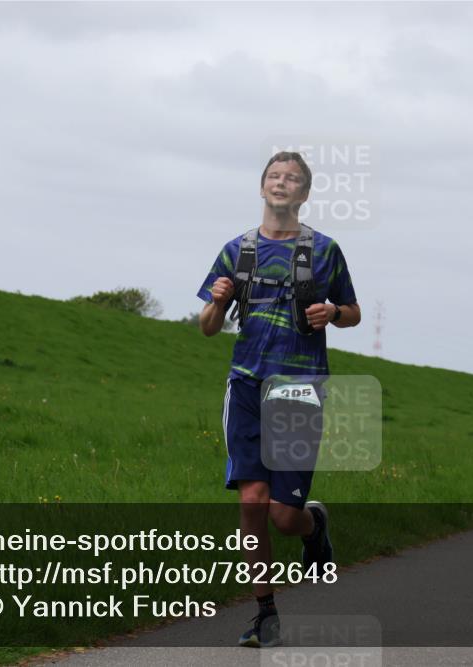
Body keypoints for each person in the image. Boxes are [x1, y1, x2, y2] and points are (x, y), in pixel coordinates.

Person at [197, 151, 360, 647]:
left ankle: (314, 524)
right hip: (246, 382)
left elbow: (352, 311)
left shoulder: (325, 249)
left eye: (292, 178)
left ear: (304, 193)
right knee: (251, 500)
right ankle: (265, 613)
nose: (281, 183)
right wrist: (220, 300)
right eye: (274, 176)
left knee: (284, 518)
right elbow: (206, 327)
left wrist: (332, 312)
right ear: (262, 186)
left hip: (300, 388)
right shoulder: (237, 250)